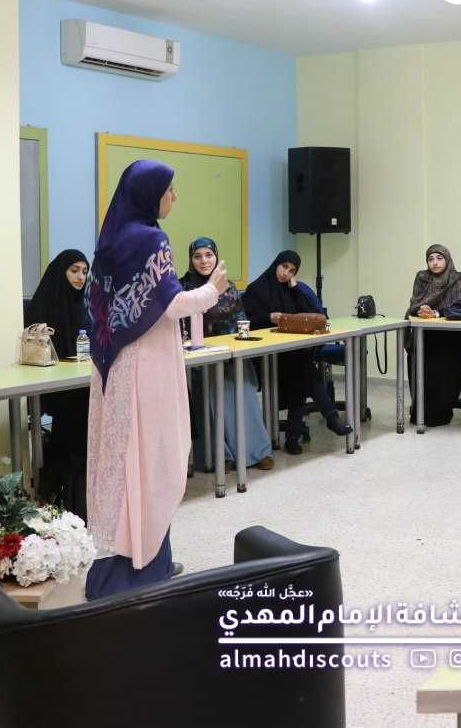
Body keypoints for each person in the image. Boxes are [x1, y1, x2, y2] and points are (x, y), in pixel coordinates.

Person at [84, 159, 228, 599]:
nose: (174, 196)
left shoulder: (111, 238)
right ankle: (143, 568)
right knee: (151, 457)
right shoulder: (151, 239)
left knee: (122, 461)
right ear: (150, 194)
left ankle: (135, 563)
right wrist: (213, 290)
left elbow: (103, 308)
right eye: (169, 189)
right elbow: (170, 305)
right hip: (147, 365)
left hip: (115, 366)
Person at [242, 250, 351, 454]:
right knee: (304, 372)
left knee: (301, 372)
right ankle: (328, 418)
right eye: (284, 267)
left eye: (292, 271)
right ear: (276, 264)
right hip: (266, 356)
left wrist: (295, 288)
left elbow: (310, 313)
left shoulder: (290, 290)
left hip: (291, 351)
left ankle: (295, 437)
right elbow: (247, 321)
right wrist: (269, 317)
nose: (286, 273)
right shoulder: (256, 289)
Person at [179, 237, 273, 471]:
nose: (204, 261)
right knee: (208, 395)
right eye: (197, 256)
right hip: (198, 359)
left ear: (216, 257)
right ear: (191, 260)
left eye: (208, 255)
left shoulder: (228, 287)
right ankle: (221, 455)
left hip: (229, 353)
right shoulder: (183, 289)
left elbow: (241, 321)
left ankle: (257, 451)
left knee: (244, 390)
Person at [24, 249, 91, 517]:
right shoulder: (43, 305)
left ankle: (82, 492)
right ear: (60, 271)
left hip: (81, 380)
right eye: (74, 270)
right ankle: (65, 491)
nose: (80, 277)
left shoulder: (84, 304)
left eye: (84, 272)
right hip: (54, 386)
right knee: (76, 419)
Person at [404, 244, 461, 427]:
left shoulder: (456, 278)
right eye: (430, 259)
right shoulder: (422, 277)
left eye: (439, 258)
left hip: (450, 335)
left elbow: (459, 307)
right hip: (424, 333)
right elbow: (415, 303)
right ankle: (420, 411)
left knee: (441, 356)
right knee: (417, 353)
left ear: (447, 259)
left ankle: (441, 412)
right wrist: (421, 310)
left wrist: (435, 313)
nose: (435, 263)